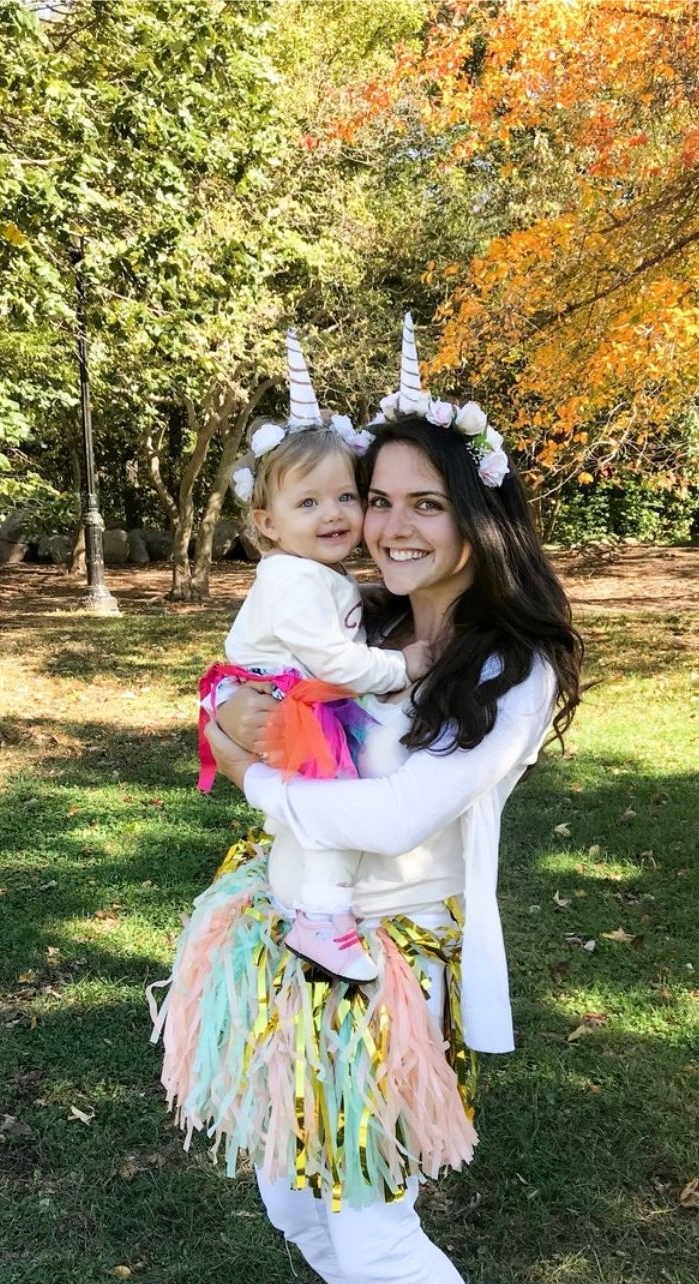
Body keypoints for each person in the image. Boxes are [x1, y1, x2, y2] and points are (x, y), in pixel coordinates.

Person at [153, 315, 581, 1284]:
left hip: (390, 961)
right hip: (296, 935)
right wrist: (227, 717)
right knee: (292, 1196)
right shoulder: (366, 621)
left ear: (475, 517)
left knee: (371, 1208)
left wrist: (244, 771)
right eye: (373, 500)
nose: (386, 526)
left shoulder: (508, 670)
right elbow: (241, 690)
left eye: (420, 505)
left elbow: (392, 820)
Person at [196, 330, 432, 982]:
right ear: (267, 523)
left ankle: (318, 907)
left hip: (281, 692)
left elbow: (336, 621)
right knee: (334, 801)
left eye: (346, 497)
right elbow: (333, 659)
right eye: (308, 503)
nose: (334, 514)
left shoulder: (310, 575)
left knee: (326, 807)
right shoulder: (290, 578)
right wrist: (402, 666)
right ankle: (322, 920)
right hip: (282, 694)